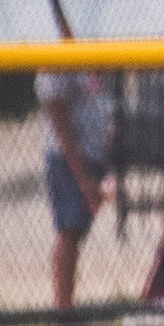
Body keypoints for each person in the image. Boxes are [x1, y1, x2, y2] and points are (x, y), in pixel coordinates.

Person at [34, 51, 114, 312]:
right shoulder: (56, 59)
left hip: (93, 155)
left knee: (76, 231)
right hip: (68, 158)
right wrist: (82, 176)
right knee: (69, 230)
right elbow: (60, 123)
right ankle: (64, 313)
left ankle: (67, 310)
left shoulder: (85, 47)